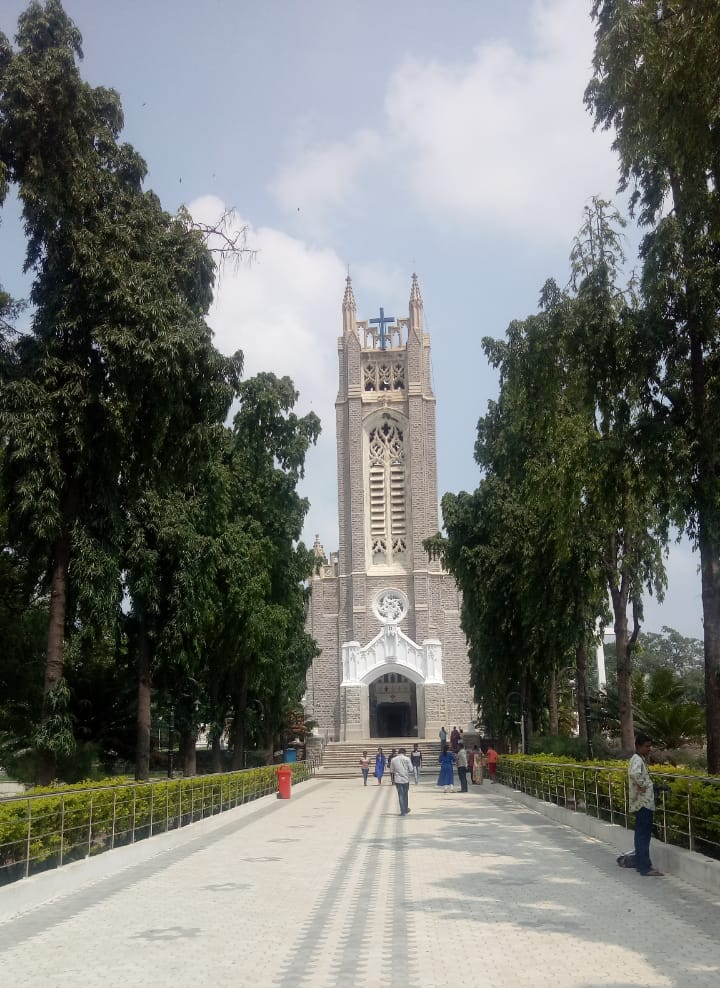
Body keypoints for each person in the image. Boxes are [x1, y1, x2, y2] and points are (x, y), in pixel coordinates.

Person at [629, 733, 663, 877]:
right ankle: (645, 868)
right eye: (646, 746)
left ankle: (641, 864)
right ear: (638, 746)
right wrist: (642, 785)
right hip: (643, 804)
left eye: (650, 746)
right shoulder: (637, 759)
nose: (649, 749)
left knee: (640, 835)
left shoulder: (638, 758)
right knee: (643, 836)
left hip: (642, 803)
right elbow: (635, 774)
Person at [392, 747, 414, 815]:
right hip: (405, 779)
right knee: (405, 795)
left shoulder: (393, 759)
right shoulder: (407, 759)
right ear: (404, 752)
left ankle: (402, 811)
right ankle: (405, 808)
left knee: (400, 795)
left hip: (397, 779)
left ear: (398, 752)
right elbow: (411, 769)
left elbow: (391, 770)